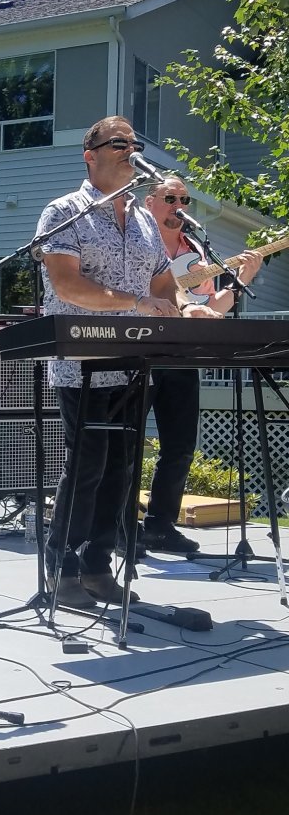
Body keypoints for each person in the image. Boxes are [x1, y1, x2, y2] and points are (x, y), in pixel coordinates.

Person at [37, 116, 181, 609]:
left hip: (132, 363)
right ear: (90, 155)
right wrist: (135, 303)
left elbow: (163, 281)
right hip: (82, 359)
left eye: (134, 143)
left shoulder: (144, 220)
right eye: (117, 143)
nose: (129, 149)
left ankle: (98, 567)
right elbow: (67, 285)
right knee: (87, 466)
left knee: (121, 470)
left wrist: (171, 304)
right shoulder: (66, 211)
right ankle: (62, 568)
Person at [139, 175, 264, 554]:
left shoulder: (196, 249)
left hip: (182, 355)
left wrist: (241, 280)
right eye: (170, 197)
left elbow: (208, 311)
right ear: (150, 203)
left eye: (185, 199)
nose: (179, 205)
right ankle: (115, 527)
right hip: (139, 351)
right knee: (125, 445)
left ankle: (159, 526)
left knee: (179, 446)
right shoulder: (137, 242)